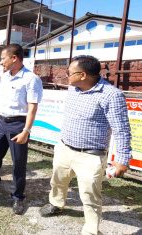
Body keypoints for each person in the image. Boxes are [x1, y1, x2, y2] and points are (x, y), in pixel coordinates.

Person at [39, 55, 132, 235]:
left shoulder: (112, 95)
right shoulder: (74, 89)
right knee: (57, 182)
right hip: (64, 149)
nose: (67, 75)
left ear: (82, 75)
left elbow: (121, 130)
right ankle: (56, 204)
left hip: (90, 156)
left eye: (69, 72)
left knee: (90, 196)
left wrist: (122, 159)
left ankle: (90, 230)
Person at [0, 44, 43, 215]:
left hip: (18, 125)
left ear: (14, 58)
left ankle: (18, 197)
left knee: (18, 163)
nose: (1, 62)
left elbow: (32, 108)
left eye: (3, 58)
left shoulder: (31, 79)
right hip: (1, 122)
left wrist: (26, 131)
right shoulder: (5, 77)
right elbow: (3, 99)